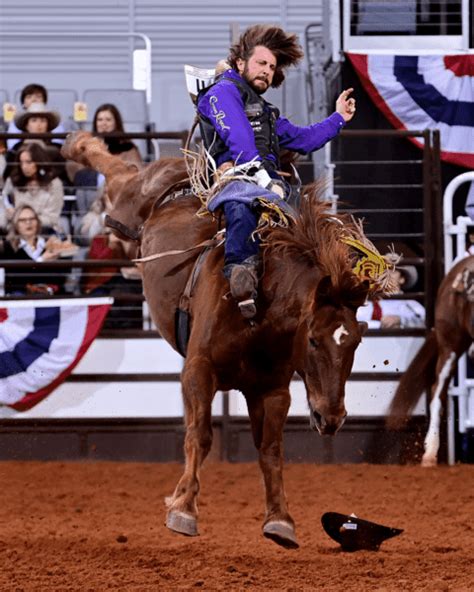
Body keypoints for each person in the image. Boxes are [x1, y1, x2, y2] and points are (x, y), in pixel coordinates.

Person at [196, 24, 356, 318]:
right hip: (239, 180)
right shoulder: (222, 92)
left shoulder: (266, 110)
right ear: (240, 63)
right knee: (241, 207)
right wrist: (263, 180)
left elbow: (302, 138)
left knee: (316, 224)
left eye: (271, 66)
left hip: (271, 185)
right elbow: (238, 135)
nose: (267, 71)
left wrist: (337, 118)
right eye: (261, 63)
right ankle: (240, 272)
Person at [0, 205, 76, 295]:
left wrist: (63, 251)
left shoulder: (50, 243)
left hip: (50, 293)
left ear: (38, 222)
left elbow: (61, 276)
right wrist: (42, 260)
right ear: (16, 224)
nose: (28, 223)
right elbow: (15, 279)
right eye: (22, 220)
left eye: (32, 219)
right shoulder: (7, 247)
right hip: (22, 296)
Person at [1, 143, 65, 235]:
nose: (24, 167)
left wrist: (23, 219)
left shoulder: (54, 184)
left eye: (29, 162)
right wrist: (9, 209)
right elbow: (4, 200)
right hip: (16, 230)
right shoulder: (13, 180)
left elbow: (52, 218)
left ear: (39, 161)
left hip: (45, 230)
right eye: (21, 162)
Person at [357, 265, 425, 329]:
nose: (386, 275)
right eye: (383, 271)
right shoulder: (364, 303)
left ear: (402, 279)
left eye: (392, 270)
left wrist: (400, 320)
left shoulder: (411, 304)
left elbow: (424, 322)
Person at [6, 83, 65, 151]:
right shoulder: (14, 124)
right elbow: (12, 147)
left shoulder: (55, 149)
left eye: (38, 96)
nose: (34, 100)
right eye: (29, 97)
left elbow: (59, 143)